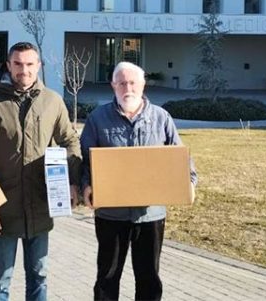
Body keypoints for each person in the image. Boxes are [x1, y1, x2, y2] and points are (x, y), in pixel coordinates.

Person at [0, 42, 82, 301]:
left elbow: (71, 141)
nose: (24, 70)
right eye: (18, 64)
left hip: (41, 207)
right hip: (2, 211)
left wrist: (72, 182)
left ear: (39, 66)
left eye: (30, 64)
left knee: (39, 277)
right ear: (8, 65)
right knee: (0, 281)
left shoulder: (52, 101)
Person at [80, 61, 198, 301]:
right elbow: (85, 161)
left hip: (151, 215)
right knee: (107, 277)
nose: (128, 88)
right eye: (122, 83)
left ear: (143, 85)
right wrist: (86, 186)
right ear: (113, 86)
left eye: (133, 82)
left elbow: (181, 160)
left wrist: (190, 184)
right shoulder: (97, 118)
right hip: (111, 215)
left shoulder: (161, 118)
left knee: (149, 278)